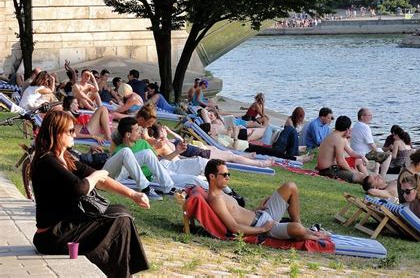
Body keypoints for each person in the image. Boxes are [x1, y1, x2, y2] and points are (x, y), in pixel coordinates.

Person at [31, 110, 150, 277]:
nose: (75, 134)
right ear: (56, 133)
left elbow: (102, 179)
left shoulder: (65, 158)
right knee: (120, 220)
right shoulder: (47, 161)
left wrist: (133, 194)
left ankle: (124, 271)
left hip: (66, 226)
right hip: (52, 236)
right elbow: (80, 188)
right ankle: (120, 273)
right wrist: (95, 176)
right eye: (70, 131)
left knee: (121, 211)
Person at [206, 159, 329, 241]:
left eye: (229, 174)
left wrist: (255, 210)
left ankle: (302, 231)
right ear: (212, 176)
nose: (228, 178)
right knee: (297, 229)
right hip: (262, 227)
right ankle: (308, 234)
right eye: (224, 175)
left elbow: (237, 213)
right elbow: (234, 227)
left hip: (261, 215)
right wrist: (262, 229)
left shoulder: (221, 193)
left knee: (290, 186)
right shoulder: (216, 199)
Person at [111, 117, 208, 190]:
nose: (140, 132)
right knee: (193, 180)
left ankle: (220, 179)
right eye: (137, 130)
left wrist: (176, 152)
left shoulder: (143, 143)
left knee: (202, 162)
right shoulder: (120, 152)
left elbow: (157, 161)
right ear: (128, 134)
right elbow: (124, 175)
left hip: (164, 166)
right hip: (154, 177)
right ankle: (219, 190)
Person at [148, 123, 273, 167]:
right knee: (232, 157)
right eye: (164, 130)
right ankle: (260, 163)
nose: (165, 130)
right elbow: (178, 157)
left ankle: (249, 158)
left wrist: (170, 132)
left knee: (228, 153)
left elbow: (180, 140)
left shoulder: (167, 141)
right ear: (161, 134)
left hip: (199, 150)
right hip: (200, 154)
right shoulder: (164, 145)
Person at [316, 116, 368, 184]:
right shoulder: (338, 139)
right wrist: (351, 171)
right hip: (328, 171)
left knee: (359, 169)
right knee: (360, 176)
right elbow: (340, 161)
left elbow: (351, 152)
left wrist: (362, 156)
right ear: (347, 129)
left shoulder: (335, 135)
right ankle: (374, 186)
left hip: (329, 168)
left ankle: (371, 182)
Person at [350, 108, 391, 176]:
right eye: (369, 115)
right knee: (387, 156)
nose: (371, 117)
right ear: (362, 117)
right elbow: (372, 145)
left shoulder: (356, 125)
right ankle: (382, 176)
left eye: (371, 115)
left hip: (355, 152)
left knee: (379, 151)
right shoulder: (365, 127)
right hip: (363, 153)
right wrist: (378, 153)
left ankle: (376, 171)